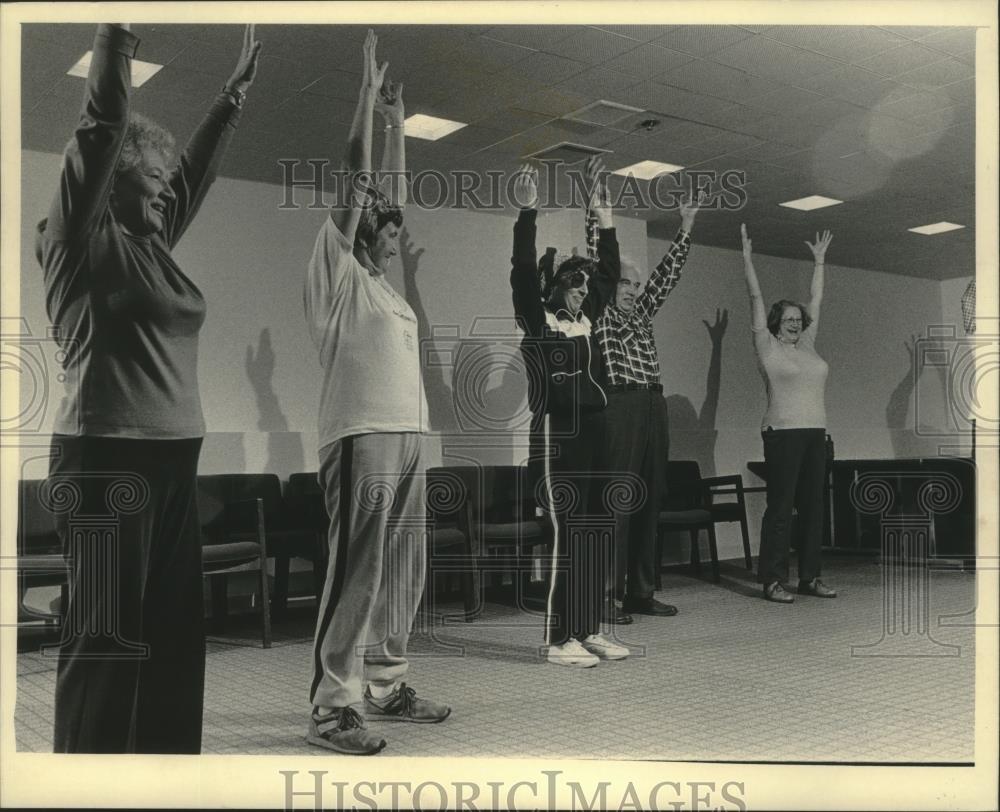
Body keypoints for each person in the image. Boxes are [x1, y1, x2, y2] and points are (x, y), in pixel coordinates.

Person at [35, 22, 261, 753]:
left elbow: (192, 175)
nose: (168, 188)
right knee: (105, 647)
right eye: (151, 176)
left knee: (170, 643)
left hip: (172, 465)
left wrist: (228, 102)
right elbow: (100, 128)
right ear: (112, 182)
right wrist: (116, 37)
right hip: (104, 462)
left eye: (167, 181)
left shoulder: (154, 245)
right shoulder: (80, 244)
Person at [304, 30, 449, 756]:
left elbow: (390, 195)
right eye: (380, 231)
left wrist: (398, 125)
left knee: (404, 565)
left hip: (413, 434)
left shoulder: (388, 292)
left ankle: (387, 684)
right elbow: (358, 182)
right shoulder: (335, 271)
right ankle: (333, 704)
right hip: (360, 433)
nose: (390, 238)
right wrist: (364, 102)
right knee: (358, 566)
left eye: (393, 236)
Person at [510, 161, 629, 668]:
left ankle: (589, 628)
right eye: (572, 283)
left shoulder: (587, 322)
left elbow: (609, 270)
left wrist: (604, 213)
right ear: (554, 287)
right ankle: (559, 638)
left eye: (585, 285)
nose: (583, 289)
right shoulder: (540, 323)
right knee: (567, 533)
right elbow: (520, 273)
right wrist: (527, 212)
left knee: (598, 528)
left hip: (598, 431)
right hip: (561, 435)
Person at [591, 193, 703, 622]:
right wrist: (601, 216)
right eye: (626, 284)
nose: (634, 291)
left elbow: (667, 277)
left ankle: (640, 591)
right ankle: (603, 595)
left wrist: (686, 228)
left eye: (636, 286)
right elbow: (602, 260)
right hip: (620, 405)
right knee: (618, 500)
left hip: (654, 405)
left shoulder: (641, 315)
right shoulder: (600, 312)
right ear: (609, 285)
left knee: (649, 500)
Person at [740, 224, 837, 603]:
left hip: (816, 434)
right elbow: (755, 296)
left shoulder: (808, 345)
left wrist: (819, 262)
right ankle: (772, 580)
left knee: (814, 509)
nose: (796, 322)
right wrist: (747, 260)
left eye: (799, 318)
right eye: (789, 319)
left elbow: (817, 298)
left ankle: (810, 578)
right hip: (782, 433)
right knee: (780, 509)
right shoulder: (766, 347)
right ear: (777, 323)